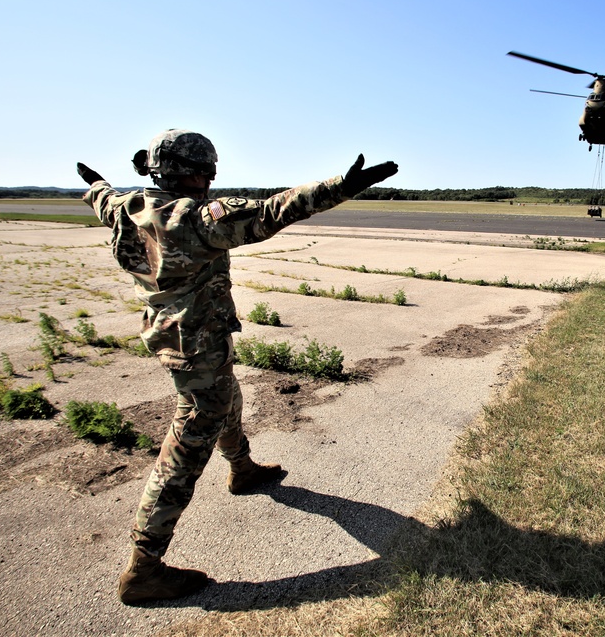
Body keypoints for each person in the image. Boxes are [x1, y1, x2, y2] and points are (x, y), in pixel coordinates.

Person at [76, 129, 398, 605]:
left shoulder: (126, 206)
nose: (210, 180)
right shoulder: (195, 217)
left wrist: (96, 184)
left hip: (174, 335)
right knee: (187, 443)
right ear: (197, 172)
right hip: (197, 343)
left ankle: (242, 468)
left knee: (227, 398)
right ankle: (143, 569)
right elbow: (272, 212)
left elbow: (103, 199)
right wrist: (339, 188)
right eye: (207, 171)